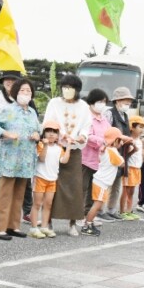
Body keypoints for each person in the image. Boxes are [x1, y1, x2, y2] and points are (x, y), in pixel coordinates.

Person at [0, 71, 36, 223]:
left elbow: (36, 123)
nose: (9, 82)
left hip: (23, 149)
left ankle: (27, 211)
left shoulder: (28, 101)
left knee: (25, 182)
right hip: (0, 144)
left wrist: (36, 134)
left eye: (13, 80)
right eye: (7, 80)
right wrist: (3, 131)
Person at [0, 79, 40, 241]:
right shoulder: (8, 109)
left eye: (29, 91)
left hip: (26, 160)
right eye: (23, 90)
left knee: (19, 195)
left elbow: (38, 130)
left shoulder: (32, 112)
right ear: (16, 92)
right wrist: (6, 133)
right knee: (5, 193)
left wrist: (37, 135)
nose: (26, 93)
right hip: (9, 159)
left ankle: (13, 226)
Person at [43, 74, 92, 236]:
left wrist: (82, 136)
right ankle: (48, 221)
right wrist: (60, 135)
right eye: (64, 87)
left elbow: (86, 126)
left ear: (77, 90)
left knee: (75, 186)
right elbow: (48, 123)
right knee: (51, 183)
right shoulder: (54, 103)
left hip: (74, 149)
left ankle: (72, 223)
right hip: (55, 148)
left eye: (70, 87)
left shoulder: (83, 106)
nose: (67, 90)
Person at [28, 121, 70, 239]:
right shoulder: (40, 145)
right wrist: (45, 145)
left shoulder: (59, 148)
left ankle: (44, 227)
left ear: (58, 135)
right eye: (48, 131)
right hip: (40, 178)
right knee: (37, 203)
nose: (51, 134)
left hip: (52, 180)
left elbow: (64, 160)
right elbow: (41, 158)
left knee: (48, 204)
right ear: (44, 133)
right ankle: (33, 228)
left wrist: (69, 146)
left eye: (54, 132)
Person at [81, 127, 124, 236]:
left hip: (101, 182)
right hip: (101, 183)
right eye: (120, 140)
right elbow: (122, 163)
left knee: (97, 205)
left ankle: (88, 224)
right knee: (97, 206)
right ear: (115, 140)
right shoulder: (112, 151)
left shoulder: (106, 149)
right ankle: (87, 225)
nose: (122, 143)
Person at [102, 86, 135, 220]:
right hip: (110, 152)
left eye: (129, 101)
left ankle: (111, 209)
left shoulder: (125, 115)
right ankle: (99, 210)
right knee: (106, 182)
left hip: (122, 152)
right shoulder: (109, 114)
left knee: (116, 184)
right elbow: (106, 133)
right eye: (125, 100)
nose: (128, 103)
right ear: (117, 101)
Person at [81, 88, 111, 223]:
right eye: (99, 101)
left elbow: (110, 133)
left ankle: (89, 216)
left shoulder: (104, 119)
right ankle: (78, 216)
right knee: (82, 188)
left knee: (93, 190)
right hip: (86, 159)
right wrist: (102, 141)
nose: (102, 104)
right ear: (91, 102)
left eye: (104, 102)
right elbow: (87, 136)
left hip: (99, 160)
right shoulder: (86, 117)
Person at [120, 116, 144, 220]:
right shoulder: (128, 140)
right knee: (125, 190)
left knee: (132, 191)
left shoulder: (140, 141)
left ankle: (129, 210)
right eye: (140, 127)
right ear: (132, 127)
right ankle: (122, 211)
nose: (142, 130)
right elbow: (125, 155)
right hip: (129, 168)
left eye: (143, 127)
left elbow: (141, 155)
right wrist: (132, 149)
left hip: (137, 168)